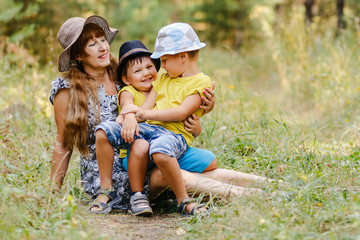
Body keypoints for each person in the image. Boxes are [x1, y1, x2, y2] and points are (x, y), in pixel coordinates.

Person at [50, 15, 217, 214]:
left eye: (103, 39)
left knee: (195, 169)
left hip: (146, 155)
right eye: (92, 44)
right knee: (180, 176)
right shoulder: (67, 90)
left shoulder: (127, 74)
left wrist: (203, 111)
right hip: (109, 176)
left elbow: (167, 100)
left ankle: (259, 186)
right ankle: (240, 194)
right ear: (78, 55)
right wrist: (53, 193)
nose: (103, 47)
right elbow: (63, 143)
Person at [95, 39, 218, 216]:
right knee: (107, 131)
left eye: (161, 62)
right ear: (126, 79)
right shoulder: (154, 83)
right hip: (145, 138)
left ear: (183, 56)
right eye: (138, 70)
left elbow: (181, 111)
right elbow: (137, 108)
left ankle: (182, 197)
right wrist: (128, 116)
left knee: (208, 160)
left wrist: (202, 114)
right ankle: (114, 192)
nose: (162, 67)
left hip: (165, 138)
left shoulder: (180, 81)